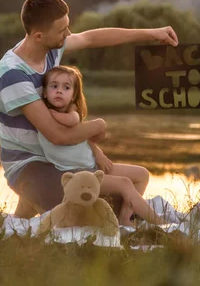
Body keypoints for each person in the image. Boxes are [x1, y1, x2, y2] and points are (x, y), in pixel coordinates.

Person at [0, 0, 178, 219]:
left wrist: (151, 34)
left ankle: (34, 207)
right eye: (62, 30)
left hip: (59, 158)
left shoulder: (50, 48)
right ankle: (35, 200)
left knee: (130, 187)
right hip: (31, 166)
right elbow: (57, 135)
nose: (68, 34)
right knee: (106, 207)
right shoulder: (14, 73)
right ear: (39, 36)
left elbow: (91, 38)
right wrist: (98, 126)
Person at [39, 65, 167, 226]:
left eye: (66, 87)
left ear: (73, 95)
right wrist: (51, 113)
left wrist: (98, 153)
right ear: (44, 92)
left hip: (91, 165)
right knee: (125, 183)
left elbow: (80, 134)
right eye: (54, 86)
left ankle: (124, 217)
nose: (59, 91)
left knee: (142, 174)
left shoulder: (71, 113)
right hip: (76, 175)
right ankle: (161, 224)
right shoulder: (42, 115)